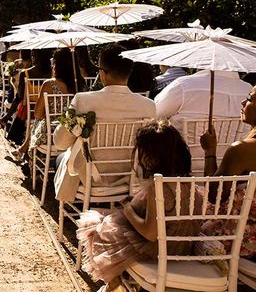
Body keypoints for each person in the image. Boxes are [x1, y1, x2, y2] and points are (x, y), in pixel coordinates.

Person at [77, 121, 200, 291]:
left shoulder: (158, 187)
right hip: (183, 247)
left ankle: (113, 284)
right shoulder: (188, 182)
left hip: (158, 250)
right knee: (108, 223)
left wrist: (128, 210)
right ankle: (115, 284)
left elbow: (150, 233)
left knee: (99, 226)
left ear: (149, 157)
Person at [54, 44, 156, 201]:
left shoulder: (82, 100)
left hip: (90, 180)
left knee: (61, 159)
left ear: (102, 73)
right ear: (129, 72)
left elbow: (60, 143)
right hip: (132, 179)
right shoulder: (149, 106)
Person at [198, 85, 256, 258]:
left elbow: (214, 197)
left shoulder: (241, 150)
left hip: (239, 240)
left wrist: (210, 152)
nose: (243, 101)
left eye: (250, 99)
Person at [11, 48, 85, 161]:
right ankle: (22, 149)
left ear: (57, 65)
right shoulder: (81, 84)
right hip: (76, 131)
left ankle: (24, 151)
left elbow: (38, 114)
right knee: (37, 124)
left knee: (38, 122)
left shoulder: (49, 84)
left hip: (52, 135)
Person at [154, 68, 252, 134]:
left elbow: (153, 114)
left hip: (182, 158)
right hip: (234, 159)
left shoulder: (183, 85)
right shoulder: (249, 90)